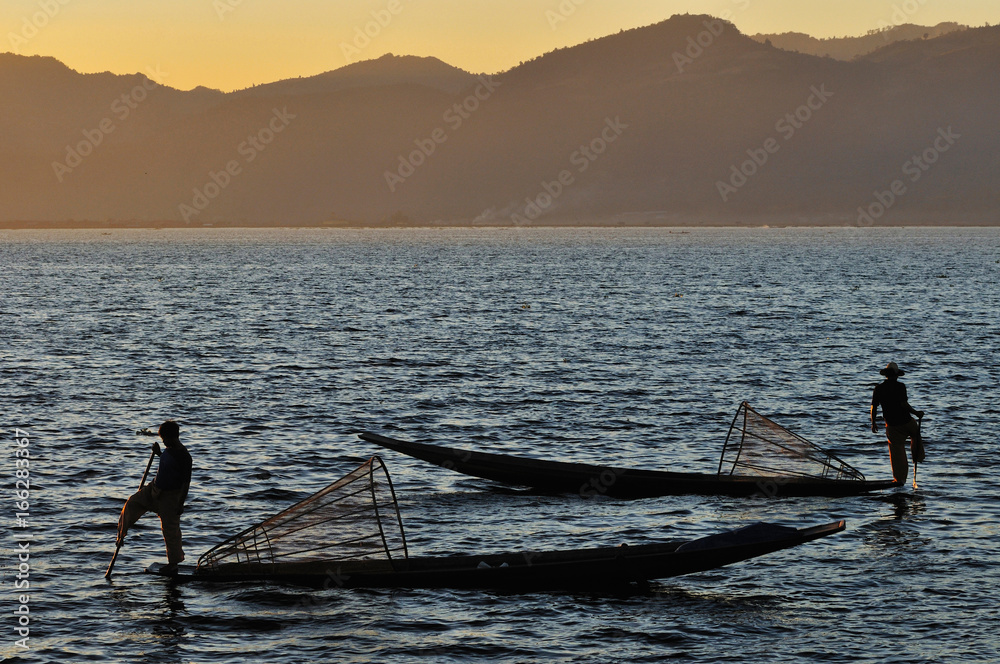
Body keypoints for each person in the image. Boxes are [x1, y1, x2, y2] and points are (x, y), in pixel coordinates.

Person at [116, 420, 193, 573]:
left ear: (171, 437)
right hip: (153, 490)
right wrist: (158, 453)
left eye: (164, 439)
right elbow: (167, 461)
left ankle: (173, 565)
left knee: (170, 531)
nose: (163, 442)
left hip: (171, 497)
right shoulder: (168, 450)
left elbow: (186, 483)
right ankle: (121, 535)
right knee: (131, 504)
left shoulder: (184, 456)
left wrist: (180, 503)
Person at [870, 362, 925, 484]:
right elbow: (904, 404)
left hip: (892, 426)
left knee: (897, 454)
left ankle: (900, 479)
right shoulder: (901, 386)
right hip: (907, 422)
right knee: (915, 434)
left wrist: (873, 422)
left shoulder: (879, 388)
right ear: (896, 375)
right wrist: (916, 413)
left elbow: (873, 407)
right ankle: (917, 457)